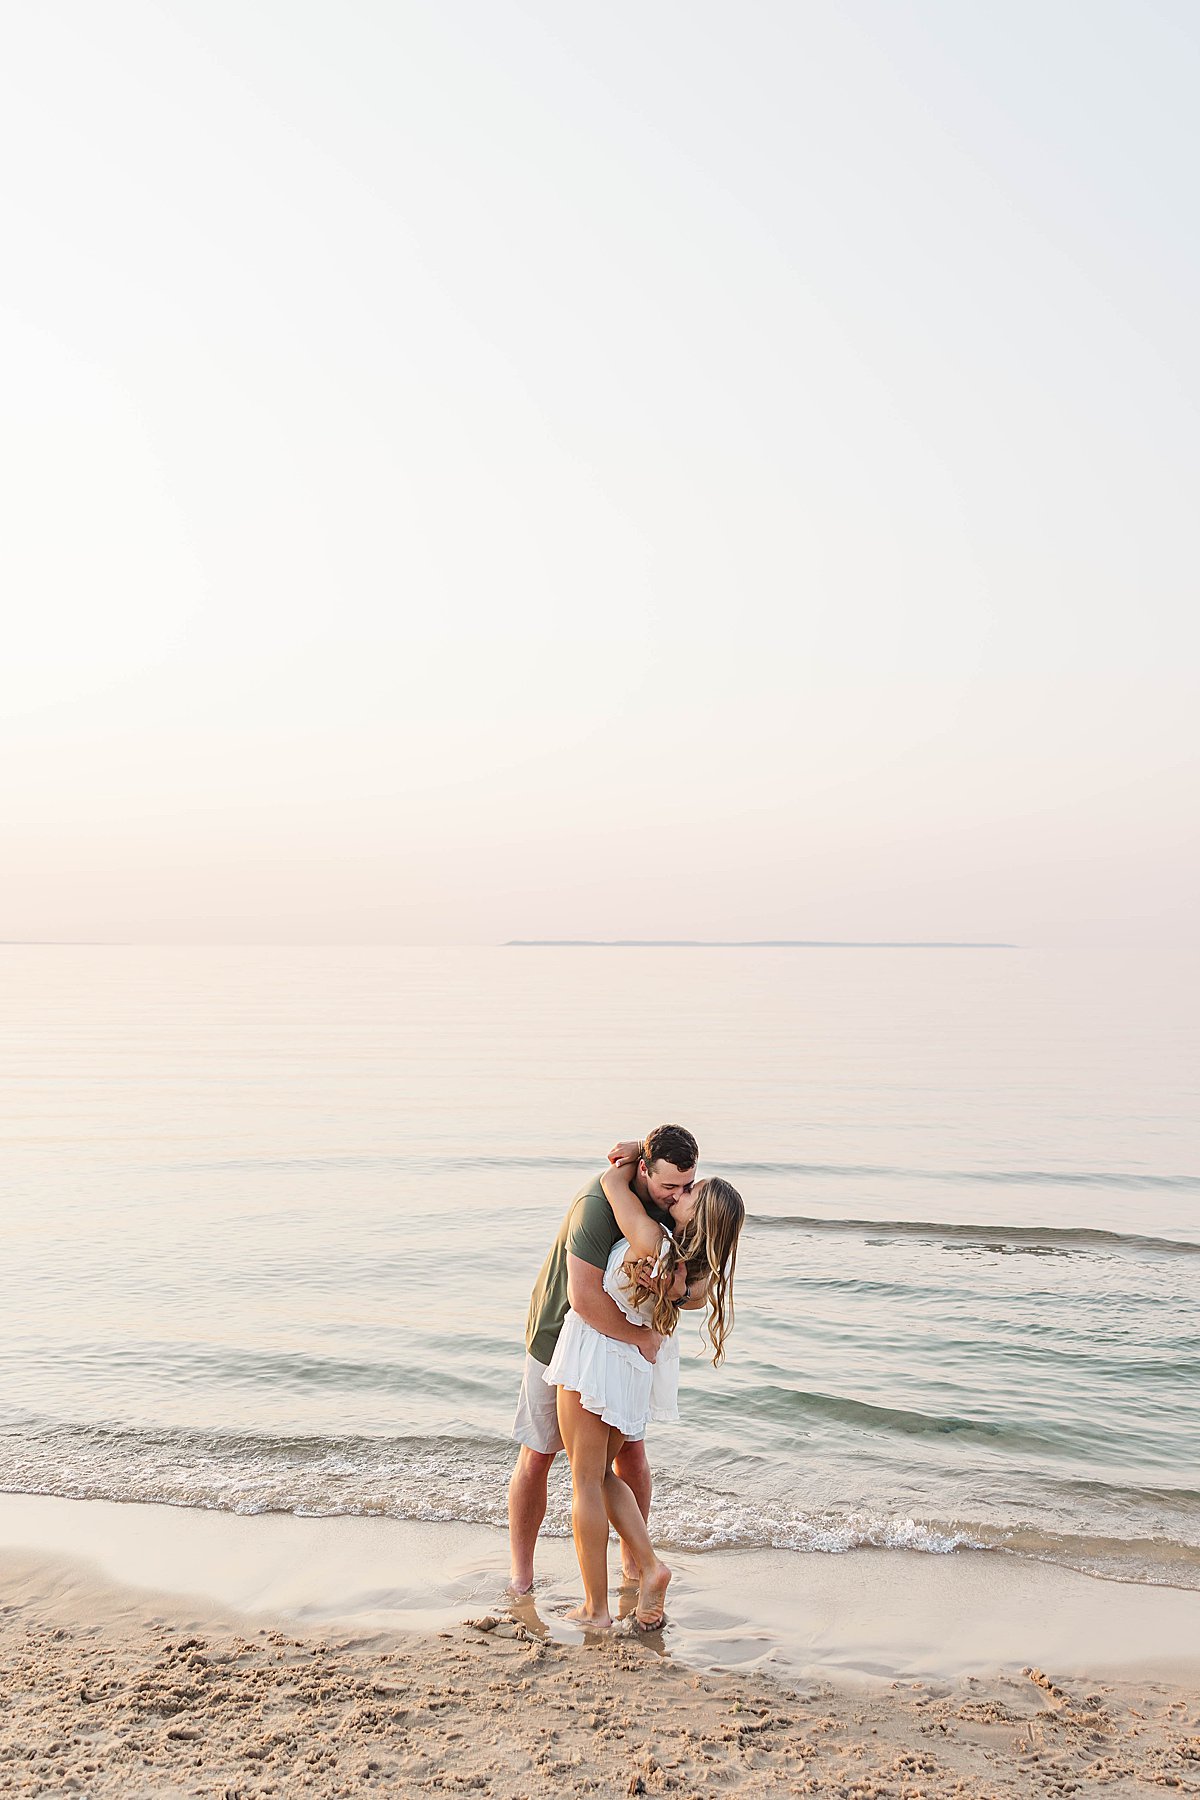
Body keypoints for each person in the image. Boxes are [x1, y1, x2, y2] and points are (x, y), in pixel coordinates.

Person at [545, 1153, 744, 1629]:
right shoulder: (688, 1270)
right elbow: (694, 1298)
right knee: (602, 1477)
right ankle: (650, 1567)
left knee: (585, 1483)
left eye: (690, 1192)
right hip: (631, 1369)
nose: (680, 1193)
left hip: (596, 1355)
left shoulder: (652, 1239)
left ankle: (596, 1609)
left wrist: (630, 1156)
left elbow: (612, 1185)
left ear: (699, 1215)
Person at [507, 1125, 699, 1596]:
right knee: (539, 1455)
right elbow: (584, 1298)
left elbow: (693, 1284)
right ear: (643, 1171)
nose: (677, 1196)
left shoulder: (669, 1201)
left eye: (686, 1186)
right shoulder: (597, 1206)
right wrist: (642, 1339)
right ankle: (522, 1577)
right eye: (667, 1186)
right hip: (559, 1336)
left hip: (620, 1351)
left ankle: (636, 1567)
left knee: (630, 1455)